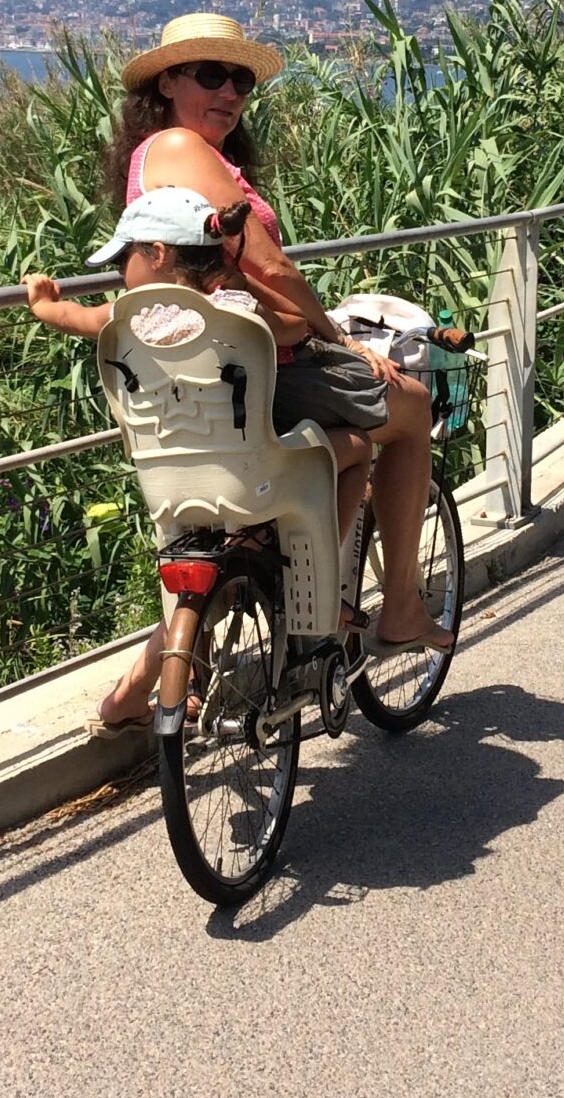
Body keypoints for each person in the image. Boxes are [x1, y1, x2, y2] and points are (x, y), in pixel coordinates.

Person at [104, 16, 448, 648]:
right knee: (413, 407)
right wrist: (336, 338)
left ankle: (137, 693)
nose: (230, 92)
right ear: (167, 82)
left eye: (240, 80)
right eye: (211, 75)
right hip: (248, 369)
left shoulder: (165, 157)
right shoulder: (180, 149)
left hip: (204, 377)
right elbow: (267, 265)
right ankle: (398, 605)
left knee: (345, 447)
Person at [24, 186, 380, 735]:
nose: (122, 274)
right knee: (358, 449)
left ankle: (146, 685)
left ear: (159, 254)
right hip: (251, 475)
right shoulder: (233, 310)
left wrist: (44, 303)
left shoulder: (126, 321)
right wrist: (248, 287)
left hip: (167, 482)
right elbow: (295, 326)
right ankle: (318, 588)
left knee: (199, 568)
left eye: (125, 259)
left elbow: (75, 316)